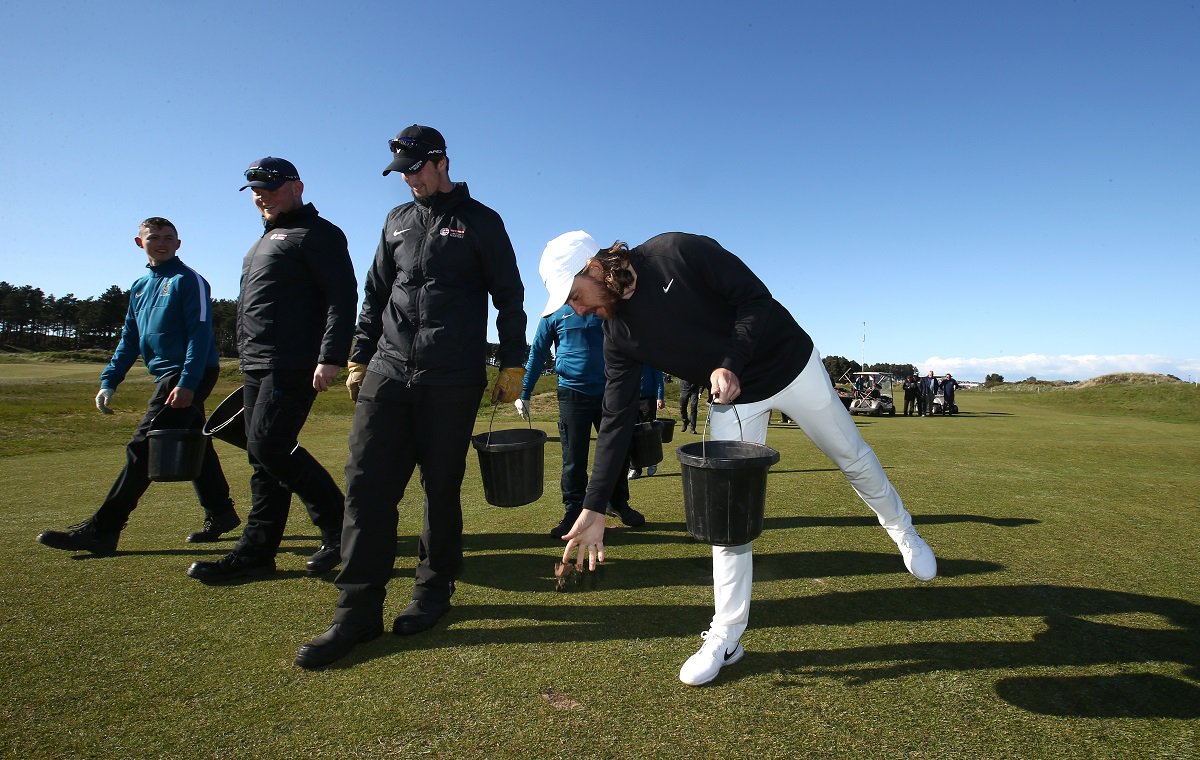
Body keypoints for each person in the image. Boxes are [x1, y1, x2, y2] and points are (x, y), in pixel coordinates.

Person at [540, 231, 937, 686]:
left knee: (851, 455)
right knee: (727, 512)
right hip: (733, 399)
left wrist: (730, 360)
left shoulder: (676, 251)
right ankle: (728, 633)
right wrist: (593, 507)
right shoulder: (618, 333)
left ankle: (902, 530)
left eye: (574, 295)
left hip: (790, 364)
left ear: (593, 266)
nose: (577, 310)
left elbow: (755, 300)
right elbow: (615, 420)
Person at [294, 125, 528, 670]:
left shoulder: (482, 222)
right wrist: (358, 355)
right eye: (401, 172)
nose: (409, 180)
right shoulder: (396, 221)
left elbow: (510, 297)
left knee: (439, 488)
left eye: (416, 169)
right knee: (365, 488)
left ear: (441, 162)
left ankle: (433, 590)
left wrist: (513, 361)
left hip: (453, 377)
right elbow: (376, 291)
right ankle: (356, 614)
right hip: (388, 371)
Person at [187, 157, 357, 583]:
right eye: (255, 190)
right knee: (263, 462)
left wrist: (332, 354)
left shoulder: (319, 234)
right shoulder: (263, 241)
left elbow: (342, 296)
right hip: (256, 363)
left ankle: (341, 529)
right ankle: (257, 553)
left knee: (268, 446)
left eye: (270, 187)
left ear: (296, 187)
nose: (261, 196)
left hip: (294, 361)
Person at [37, 218, 240, 554]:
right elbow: (129, 338)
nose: (161, 243)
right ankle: (221, 513)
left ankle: (103, 530)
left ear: (178, 243)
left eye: (168, 238)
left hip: (188, 372)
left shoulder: (189, 281)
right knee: (191, 441)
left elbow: (200, 335)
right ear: (139, 242)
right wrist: (110, 380)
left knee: (143, 447)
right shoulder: (140, 286)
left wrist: (188, 382)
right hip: (167, 374)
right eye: (154, 238)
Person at [515, 305, 644, 539]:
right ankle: (573, 511)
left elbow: (630, 343)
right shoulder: (552, 313)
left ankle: (616, 502)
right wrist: (525, 392)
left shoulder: (607, 306)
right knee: (574, 457)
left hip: (610, 391)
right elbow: (538, 351)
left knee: (618, 451)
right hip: (572, 393)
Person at [627, 364, 665, 479]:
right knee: (632, 434)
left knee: (649, 433)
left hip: (648, 400)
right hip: (631, 399)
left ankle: (652, 462)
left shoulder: (650, 358)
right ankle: (635, 468)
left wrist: (660, 397)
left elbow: (659, 379)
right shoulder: (630, 358)